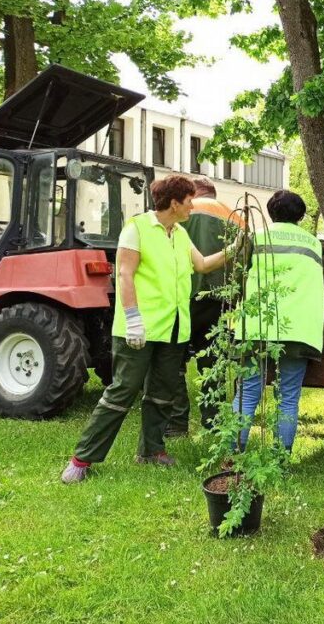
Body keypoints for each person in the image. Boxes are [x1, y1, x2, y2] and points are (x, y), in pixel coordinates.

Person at [60, 175, 241, 483]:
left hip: (173, 329)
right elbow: (126, 275)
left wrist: (236, 248)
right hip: (139, 329)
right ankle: (82, 459)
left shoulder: (181, 233)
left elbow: (203, 266)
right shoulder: (137, 229)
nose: (192, 206)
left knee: (161, 393)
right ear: (174, 203)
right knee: (122, 391)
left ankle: (151, 451)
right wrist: (132, 318)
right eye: (189, 201)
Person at [231, 190, 324, 453]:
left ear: (269, 212)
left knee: (247, 392)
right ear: (300, 216)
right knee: (288, 397)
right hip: (299, 330)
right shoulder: (315, 245)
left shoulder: (256, 239)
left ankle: (233, 454)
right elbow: (323, 279)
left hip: (256, 327)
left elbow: (237, 277)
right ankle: (280, 458)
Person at [166, 176, 244, 437]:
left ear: (195, 192)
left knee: (173, 360)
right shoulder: (235, 216)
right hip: (220, 302)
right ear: (214, 192)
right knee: (213, 362)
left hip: (184, 297)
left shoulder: (182, 211)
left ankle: (176, 424)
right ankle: (214, 422)